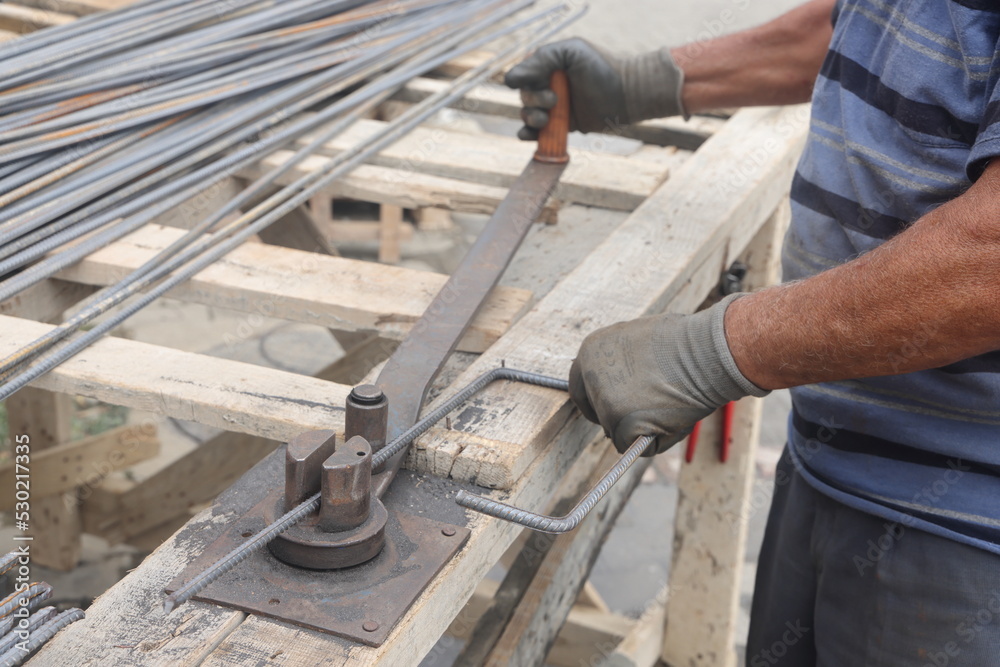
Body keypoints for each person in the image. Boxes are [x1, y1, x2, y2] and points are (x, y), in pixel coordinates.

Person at [505, 1, 1000, 664]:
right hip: (828, 459)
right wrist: (648, 81)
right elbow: (862, 25)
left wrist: (720, 350)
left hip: (959, 529)